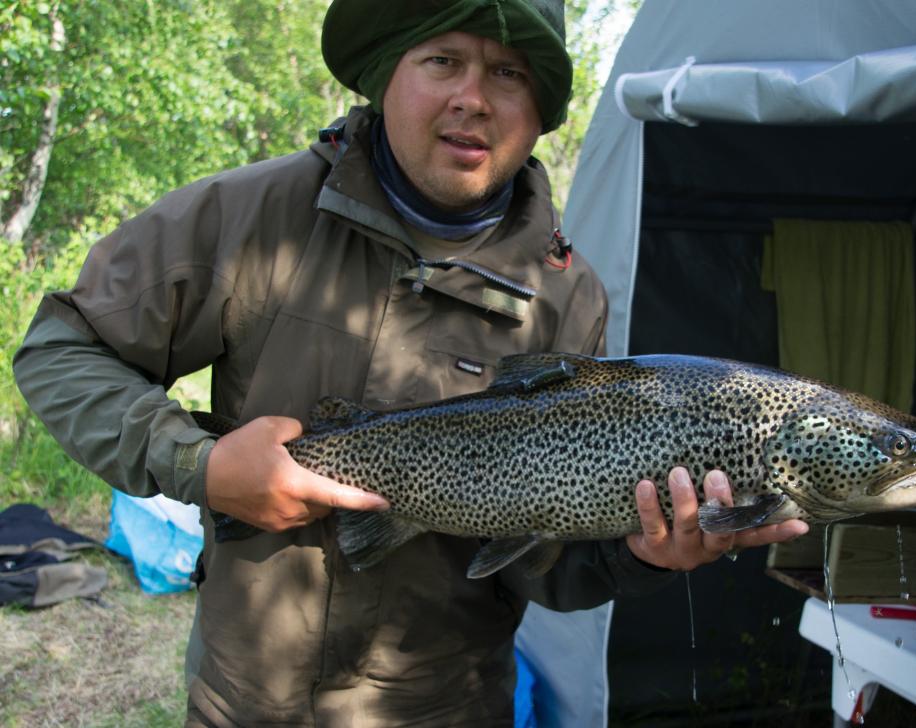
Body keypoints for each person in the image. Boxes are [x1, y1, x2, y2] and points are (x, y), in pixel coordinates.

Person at [13, 1, 808, 725]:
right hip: (241, 704)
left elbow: (546, 568)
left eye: (508, 73)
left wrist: (641, 558)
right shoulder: (251, 218)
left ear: (539, 115)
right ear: (388, 72)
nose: (475, 97)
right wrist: (201, 464)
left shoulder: (567, 298)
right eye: (443, 60)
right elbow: (61, 349)